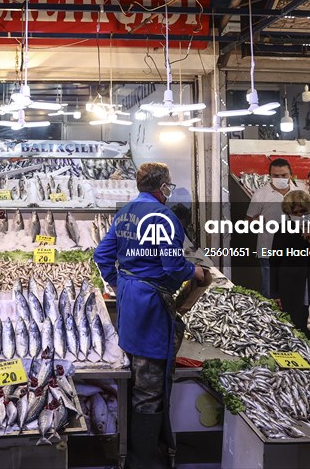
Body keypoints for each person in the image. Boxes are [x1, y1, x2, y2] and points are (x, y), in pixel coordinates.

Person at [95, 162, 206, 469]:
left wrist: (119, 283)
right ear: (162, 187)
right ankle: (144, 460)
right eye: (169, 185)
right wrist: (194, 271)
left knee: (134, 372)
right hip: (152, 306)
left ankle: (136, 449)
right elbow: (173, 267)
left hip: (131, 299)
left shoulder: (126, 211)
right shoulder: (164, 216)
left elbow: (102, 255)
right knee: (150, 384)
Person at [269, 190, 310, 340]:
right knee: (294, 325)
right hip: (291, 286)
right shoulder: (283, 230)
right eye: (295, 213)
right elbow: (275, 262)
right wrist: (275, 293)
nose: (300, 215)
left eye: (303, 211)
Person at [246, 158, 304, 297]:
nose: (280, 178)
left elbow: (307, 220)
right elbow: (248, 222)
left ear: (291, 174)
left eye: (283, 175)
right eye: (276, 176)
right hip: (268, 250)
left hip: (295, 251)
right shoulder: (260, 194)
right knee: (270, 290)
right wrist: (255, 222)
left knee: (293, 290)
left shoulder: (300, 194)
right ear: (269, 175)